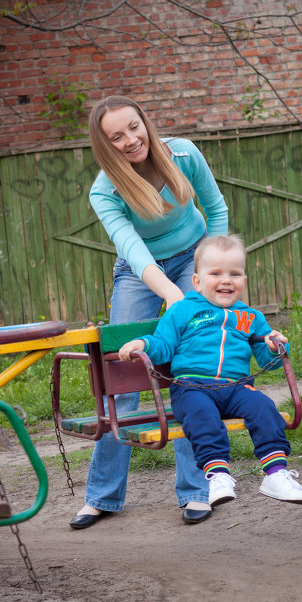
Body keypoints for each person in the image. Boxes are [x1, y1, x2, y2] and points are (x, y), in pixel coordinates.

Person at [69, 95, 229, 530]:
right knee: (121, 376)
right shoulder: (105, 190)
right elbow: (135, 252)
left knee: (188, 370)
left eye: (133, 127)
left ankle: (197, 492)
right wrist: (175, 299)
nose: (130, 140)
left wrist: (206, 276)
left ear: (146, 122)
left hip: (194, 259)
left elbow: (216, 210)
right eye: (115, 136)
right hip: (140, 271)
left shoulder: (183, 154)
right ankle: (103, 497)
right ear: (105, 145)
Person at [118, 235, 302, 507]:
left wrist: (275, 347)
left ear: (244, 280)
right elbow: (163, 344)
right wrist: (142, 343)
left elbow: (269, 359)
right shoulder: (184, 310)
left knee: (264, 407)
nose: (226, 280)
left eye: (235, 273)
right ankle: (218, 475)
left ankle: (275, 474)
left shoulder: (252, 317)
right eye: (216, 273)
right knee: (202, 416)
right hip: (192, 387)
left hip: (235, 387)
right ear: (197, 281)